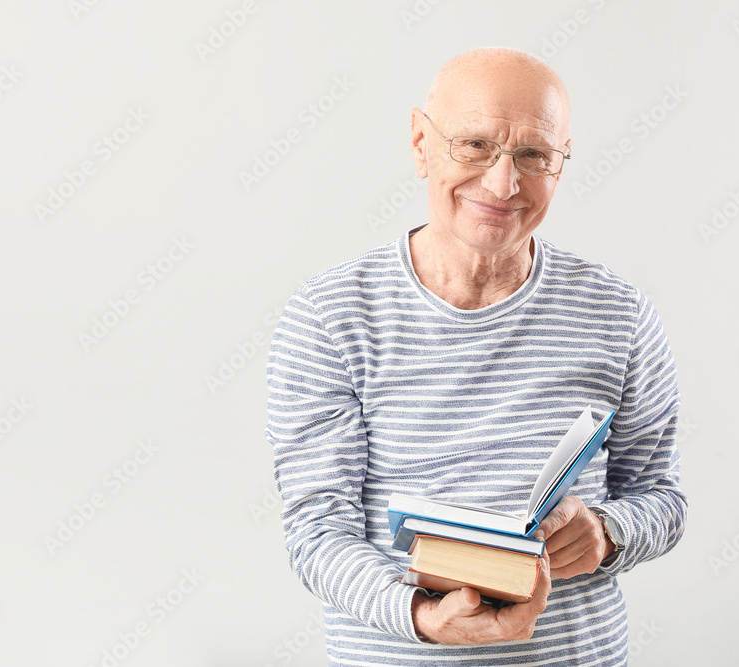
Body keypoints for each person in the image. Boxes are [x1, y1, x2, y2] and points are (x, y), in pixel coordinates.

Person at [264, 47, 686, 665]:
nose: (502, 183)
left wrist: (607, 531)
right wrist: (422, 617)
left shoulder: (619, 313)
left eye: (533, 155)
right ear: (420, 143)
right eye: (474, 146)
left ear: (561, 163)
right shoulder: (329, 315)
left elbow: (662, 498)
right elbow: (316, 527)